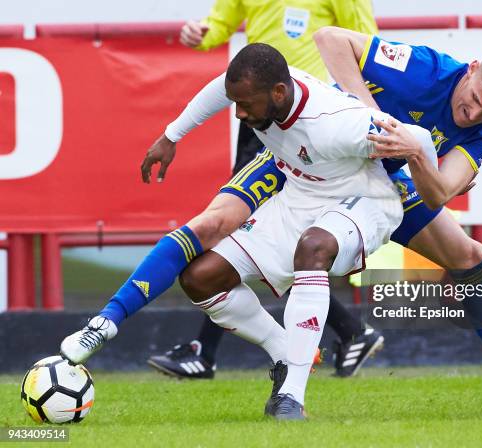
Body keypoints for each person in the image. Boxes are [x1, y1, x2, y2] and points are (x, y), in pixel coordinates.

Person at [61, 43, 437, 420]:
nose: (239, 113)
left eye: (246, 105)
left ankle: (291, 397)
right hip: (300, 194)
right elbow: (218, 91)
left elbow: (417, 139)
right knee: (201, 277)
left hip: (363, 198)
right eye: (235, 102)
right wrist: (172, 135)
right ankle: (285, 354)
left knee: (312, 248)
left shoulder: (336, 122)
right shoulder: (262, 96)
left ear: (278, 93)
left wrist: (438, 185)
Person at [311, 26, 482, 410]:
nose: (473, 113)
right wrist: (367, 112)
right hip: (316, 165)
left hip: (383, 181)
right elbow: (328, 38)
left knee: (471, 258)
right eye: (474, 98)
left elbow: (438, 192)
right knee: (244, 248)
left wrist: (415, 152)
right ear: (471, 69)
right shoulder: (423, 67)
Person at [148, 0, 383, 379]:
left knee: (247, 228)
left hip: (308, 117)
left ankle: (204, 350)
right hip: (258, 112)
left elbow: (366, 44)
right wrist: (203, 32)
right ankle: (350, 331)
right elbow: (221, 24)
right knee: (251, 229)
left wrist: (357, 112)